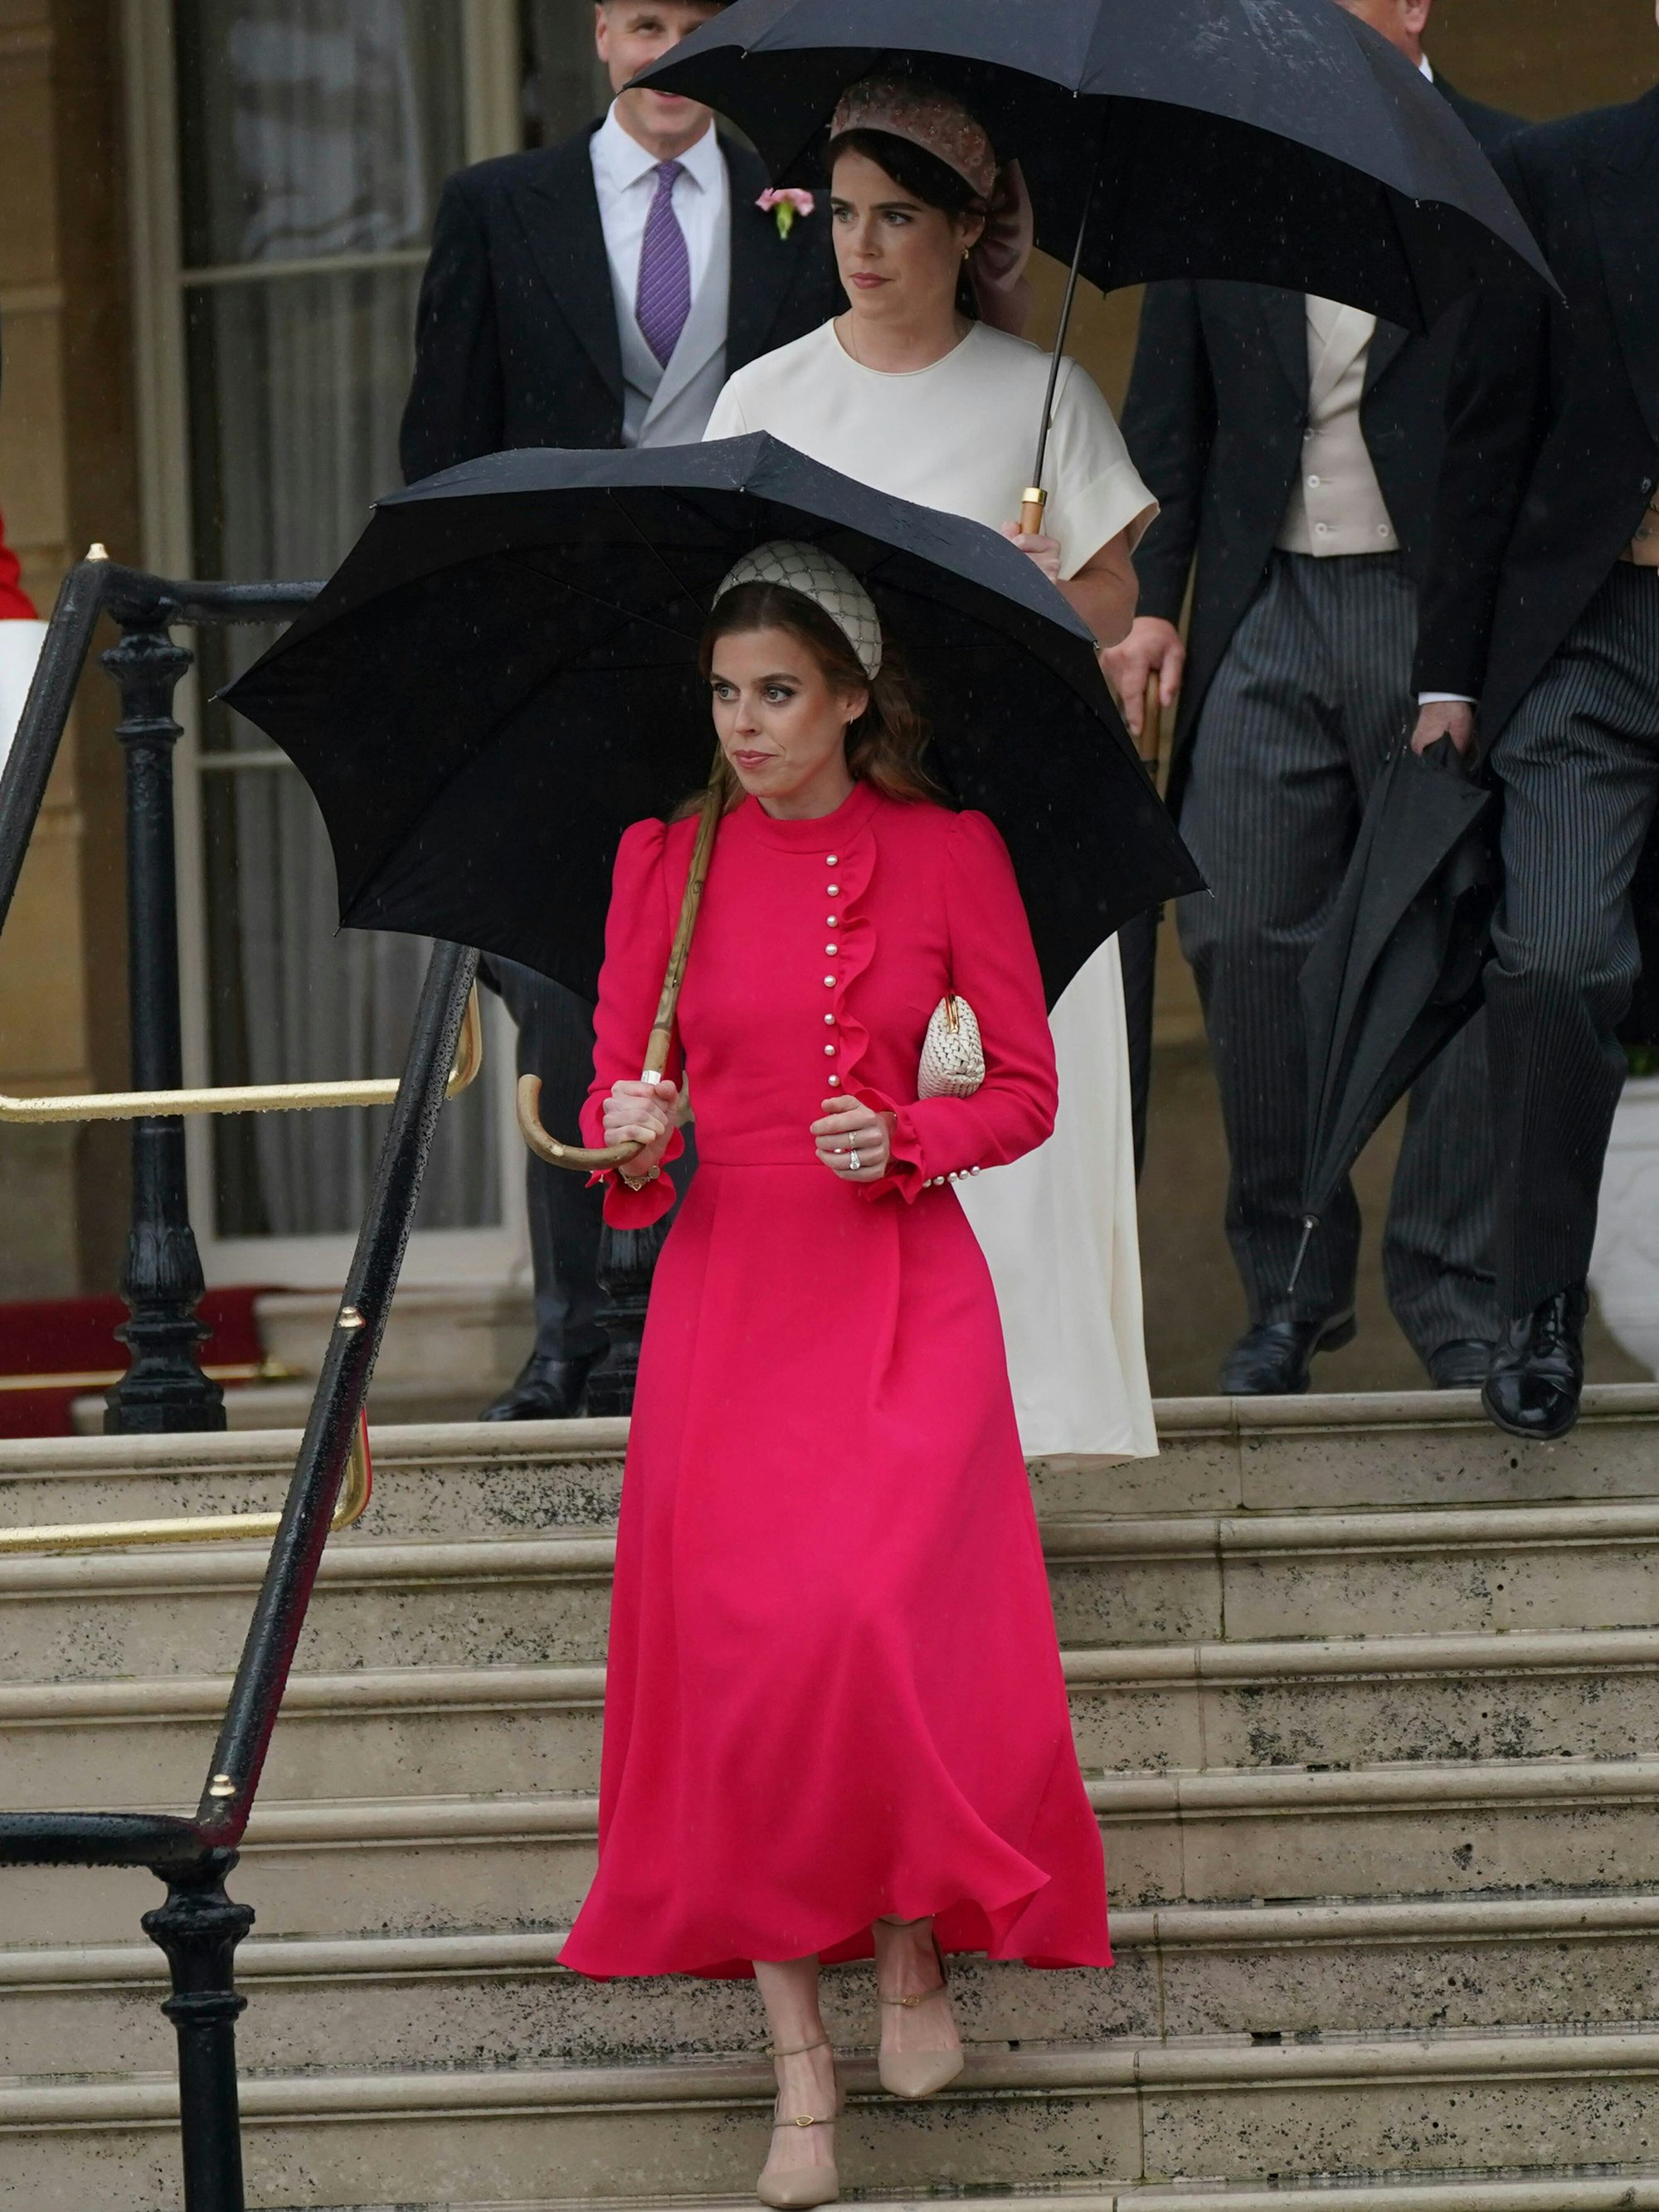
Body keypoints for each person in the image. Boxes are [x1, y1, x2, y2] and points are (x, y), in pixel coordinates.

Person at [557, 543, 1111, 2210]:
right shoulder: (658, 858)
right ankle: (801, 2065)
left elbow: (1024, 1088)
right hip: (728, 1289)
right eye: (725, 693)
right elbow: (613, 1101)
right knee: (742, 1672)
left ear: (855, 696)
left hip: (893, 1279)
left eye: (777, 692)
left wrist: (909, 1134)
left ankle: (911, 1946)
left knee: (868, 1620)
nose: (743, 722)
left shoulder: (947, 853)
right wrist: (625, 1134)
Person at [705, 76, 1160, 1459]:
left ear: (968, 228)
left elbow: (1113, 595)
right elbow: (723, 602)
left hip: (996, 810)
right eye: (844, 214)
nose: (864, 246)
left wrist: (1037, 586)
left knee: (989, 1101)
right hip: (828, 816)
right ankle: (848, 1417)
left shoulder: (1044, 395)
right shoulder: (762, 396)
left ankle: (1025, 1420)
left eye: (897, 216)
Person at [400, 1, 834, 1420]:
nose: (673, 53)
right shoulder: (499, 206)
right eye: (650, 20)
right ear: (601, 33)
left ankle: (687, 1321)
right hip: (557, 663)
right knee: (565, 989)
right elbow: (440, 458)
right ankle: (571, 1328)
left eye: (704, 24)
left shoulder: (801, 208)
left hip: (745, 653)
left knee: (728, 979)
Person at [1104, 0, 1516, 1397]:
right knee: (1236, 927)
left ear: (1412, 5)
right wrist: (1156, 600)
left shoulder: (1506, 167)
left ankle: (1456, 1293)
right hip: (1266, 606)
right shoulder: (1232, 175)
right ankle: (1289, 1284)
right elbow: (1172, 411)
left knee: (1456, 940)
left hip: (1441, 614)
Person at [1409, 16, 1659, 1440]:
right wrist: (1452, 675)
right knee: (1557, 960)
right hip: (1593, 640)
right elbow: (1487, 430)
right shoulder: (1564, 173)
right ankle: (1537, 1304)